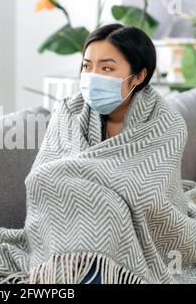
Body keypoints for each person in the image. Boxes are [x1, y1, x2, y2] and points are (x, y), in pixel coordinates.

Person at [78, 23, 156, 284]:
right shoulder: (69, 113)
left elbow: (149, 192)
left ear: (138, 76)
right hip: (77, 221)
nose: (93, 76)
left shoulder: (165, 122)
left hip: (135, 225)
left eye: (107, 68)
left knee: (112, 212)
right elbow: (45, 176)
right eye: (87, 66)